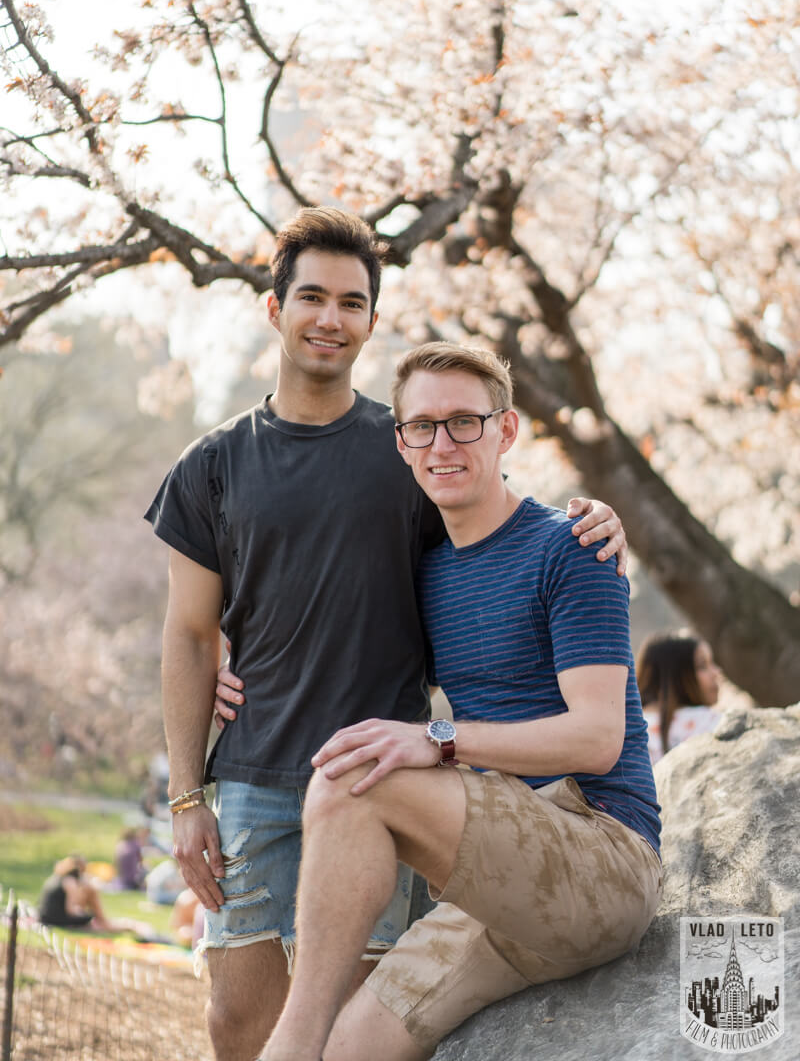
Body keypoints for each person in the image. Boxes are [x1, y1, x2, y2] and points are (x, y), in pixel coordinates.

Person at [144, 207, 628, 1061]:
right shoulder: (211, 466)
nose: (331, 318)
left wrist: (597, 524)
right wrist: (188, 798)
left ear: (372, 318)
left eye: (352, 302)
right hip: (254, 776)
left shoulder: (407, 449)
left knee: (349, 1021)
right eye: (312, 297)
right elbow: (188, 636)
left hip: (384, 782)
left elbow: (501, 533)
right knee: (238, 1022)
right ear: (275, 308)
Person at [258, 342, 662, 1061]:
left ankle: (288, 1043)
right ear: (402, 443)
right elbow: (314, 625)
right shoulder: (423, 570)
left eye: (464, 423)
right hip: (497, 886)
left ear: (505, 432)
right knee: (352, 1051)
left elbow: (598, 737)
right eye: (422, 426)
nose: (442, 443)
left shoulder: (571, 548)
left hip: (599, 859)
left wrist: (438, 741)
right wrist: (231, 667)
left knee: (350, 777)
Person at [636, 629, 722, 764]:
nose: (716, 672)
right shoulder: (710, 722)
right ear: (675, 677)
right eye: (702, 666)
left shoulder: (628, 729)